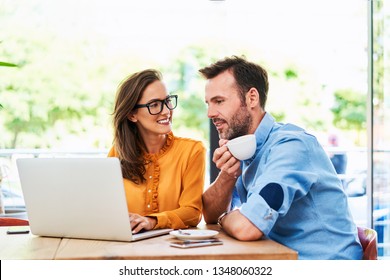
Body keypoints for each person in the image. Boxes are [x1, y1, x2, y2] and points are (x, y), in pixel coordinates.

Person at [199, 55, 363, 260]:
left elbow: (247, 227)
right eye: (208, 103)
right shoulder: (244, 148)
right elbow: (209, 214)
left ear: (252, 98)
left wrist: (226, 218)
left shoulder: (290, 147)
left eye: (219, 101)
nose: (210, 113)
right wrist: (228, 175)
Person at [108, 69, 206, 234]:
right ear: (132, 115)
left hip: (172, 247)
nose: (167, 111)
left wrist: (152, 221)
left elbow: (192, 213)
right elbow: (106, 208)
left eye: (167, 101)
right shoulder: (117, 154)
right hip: (127, 246)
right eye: (154, 104)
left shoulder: (192, 151)